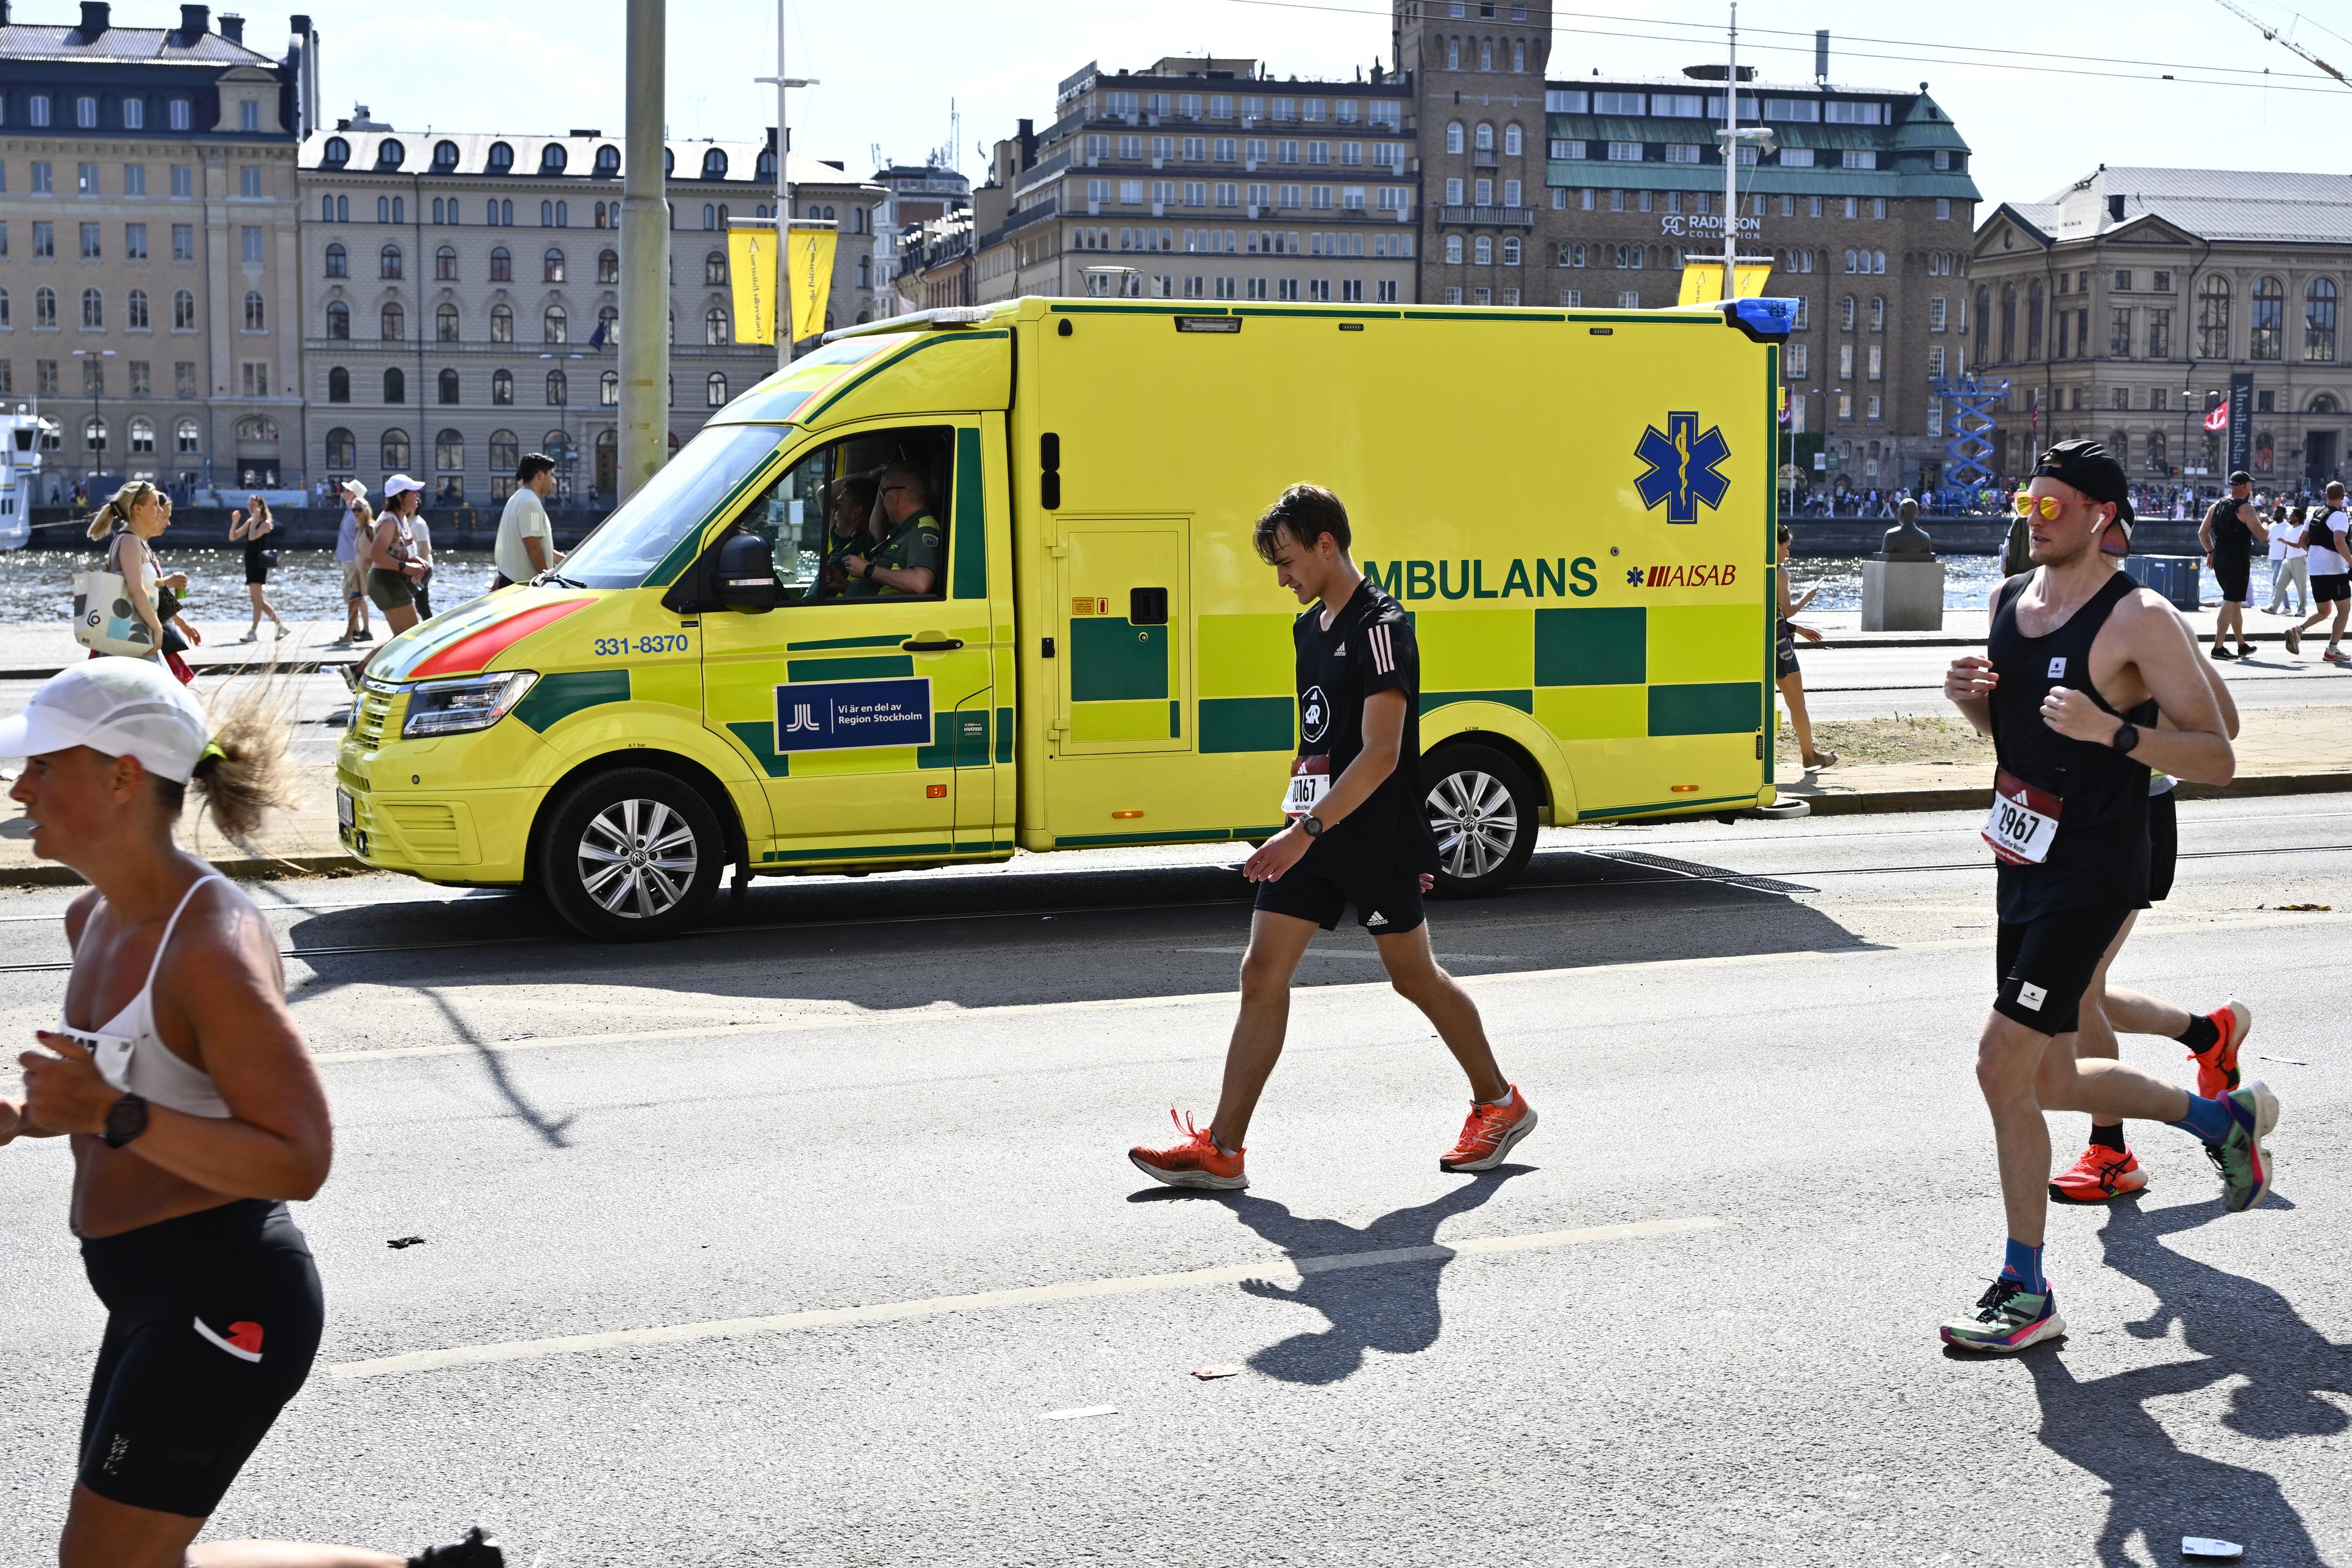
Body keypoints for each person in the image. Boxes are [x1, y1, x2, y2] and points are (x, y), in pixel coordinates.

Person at [0, 660, 504, 1568]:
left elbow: (299, 1157)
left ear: (121, 775)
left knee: (106, 1565)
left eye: (43, 766)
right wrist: (29, 1116)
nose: (17, 786)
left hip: (225, 1291)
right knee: (135, 1561)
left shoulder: (209, 942)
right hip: (146, 1288)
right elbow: (137, 1094)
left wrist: (109, 1113)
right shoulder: (92, 918)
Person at [1938, 440, 2275, 1353]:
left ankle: (2026, 1288)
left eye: (2051, 507)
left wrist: (2114, 733)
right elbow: (2013, 741)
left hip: (2094, 868)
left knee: (1997, 1064)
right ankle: (2220, 1118)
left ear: (2098, 518)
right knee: (2048, 1079)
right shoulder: (2010, 600)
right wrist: (1970, 700)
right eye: (2025, 502)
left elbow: (2219, 756)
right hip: (2020, 856)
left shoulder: (2141, 618)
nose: (2032, 519)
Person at [1128, 484, 1537, 1189]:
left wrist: (1308, 830)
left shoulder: (1383, 626)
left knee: (1413, 978)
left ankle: (1500, 1103)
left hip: (1370, 835)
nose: (1281, 577)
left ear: (1327, 544)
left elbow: (1381, 752)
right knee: (1261, 972)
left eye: (1287, 560)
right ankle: (1223, 1150)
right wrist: (1299, 804)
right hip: (1315, 832)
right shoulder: (1307, 630)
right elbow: (1322, 737)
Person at [2049, 630, 2253, 1203]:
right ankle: (2209, 1033)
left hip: (2129, 815)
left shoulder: (2142, 614)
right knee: (2078, 990)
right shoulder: (2026, 603)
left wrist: (2116, 728)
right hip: (2054, 812)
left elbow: (2223, 729)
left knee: (2080, 994)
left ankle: (2112, 1154)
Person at [86, 482, 197, 686]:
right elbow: (136, 590)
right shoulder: (128, 541)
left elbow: (146, 587)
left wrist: (177, 622)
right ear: (138, 509)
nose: (159, 510)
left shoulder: (136, 541)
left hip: (134, 633)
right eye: (155, 505)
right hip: (127, 634)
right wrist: (157, 628)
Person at [1774, 522, 1836, 771]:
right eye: (1787, 547)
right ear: (1776, 545)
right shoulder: (1779, 572)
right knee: (1797, 703)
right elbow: (1786, 611)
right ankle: (1809, 755)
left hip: (1759, 643)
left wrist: (1799, 630)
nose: (1788, 553)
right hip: (1780, 648)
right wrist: (1808, 596)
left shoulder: (1752, 568)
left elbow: (1767, 615)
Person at [840, 464, 943, 598]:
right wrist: (844, 585)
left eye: (883, 493)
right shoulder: (904, 531)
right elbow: (884, 587)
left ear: (895, 495)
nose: (883, 502)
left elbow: (920, 582)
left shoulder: (923, 529)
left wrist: (868, 570)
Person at [2196, 470, 2267, 660]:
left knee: (2235, 602)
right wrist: (2266, 522)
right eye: (2250, 485)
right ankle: (2218, 648)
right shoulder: (2246, 509)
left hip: (2220, 560)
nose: (2251, 488)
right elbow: (2262, 536)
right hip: (2238, 562)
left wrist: (2211, 552)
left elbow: (2202, 534)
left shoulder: (2216, 507)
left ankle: (2242, 645)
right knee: (2230, 602)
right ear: (2245, 486)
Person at [2291, 481, 2351, 661]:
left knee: (2324, 611)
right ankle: (2332, 649)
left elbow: (2302, 541)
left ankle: (2298, 631)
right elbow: (2339, 541)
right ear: (2343, 497)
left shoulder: (2314, 514)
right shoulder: (2340, 516)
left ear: (2325, 496)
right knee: (2344, 609)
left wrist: (2314, 553)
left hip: (2315, 570)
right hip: (2334, 570)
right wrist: (2351, 561)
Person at [364, 477, 428, 638]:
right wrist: (405, 567)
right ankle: (362, 665)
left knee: (400, 640)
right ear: (400, 497)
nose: (417, 495)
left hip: (390, 581)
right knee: (412, 638)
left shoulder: (402, 518)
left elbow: (395, 551)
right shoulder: (390, 521)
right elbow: (376, 554)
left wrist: (414, 560)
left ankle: (359, 665)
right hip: (387, 581)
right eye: (413, 492)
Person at [491, 454, 559, 590]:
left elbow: (541, 548)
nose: (554, 481)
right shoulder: (530, 503)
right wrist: (547, 582)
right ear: (540, 475)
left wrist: (573, 562)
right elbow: (533, 547)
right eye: (551, 475)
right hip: (522, 588)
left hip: (511, 583)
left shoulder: (518, 498)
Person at [228, 497, 287, 643]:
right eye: (249, 505)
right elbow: (233, 537)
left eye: (253, 505)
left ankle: (253, 632)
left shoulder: (265, 523)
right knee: (258, 600)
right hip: (250, 563)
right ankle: (280, 626)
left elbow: (253, 537)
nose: (250, 507)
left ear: (260, 506)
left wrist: (254, 520)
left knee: (256, 601)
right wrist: (235, 522)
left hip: (258, 564)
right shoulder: (250, 521)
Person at [815, 475, 881, 599]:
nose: (833, 512)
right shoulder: (841, 540)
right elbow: (823, 494)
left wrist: (884, 479)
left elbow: (824, 493)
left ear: (856, 512)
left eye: (837, 505)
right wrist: (872, 473)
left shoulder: (868, 542)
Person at [333, 481, 373, 644]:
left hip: (353, 560)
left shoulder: (357, 514)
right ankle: (356, 629)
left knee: (358, 596)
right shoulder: (351, 511)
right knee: (352, 596)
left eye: (346, 490)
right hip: (347, 559)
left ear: (354, 495)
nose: (343, 492)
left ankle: (364, 630)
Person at [2265, 502, 2309, 618]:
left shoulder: (2302, 530)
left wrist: (2286, 542)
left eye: (2292, 515)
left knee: (2301, 587)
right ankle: (2274, 608)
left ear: (2297, 518)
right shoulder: (2289, 529)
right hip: (2288, 560)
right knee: (2279, 584)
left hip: (2299, 560)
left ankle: (2302, 610)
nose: (2290, 517)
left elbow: (2299, 545)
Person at [408, 505, 437, 622]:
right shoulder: (411, 523)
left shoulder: (419, 524)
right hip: (417, 569)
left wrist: (420, 572)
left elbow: (425, 548)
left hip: (423, 569)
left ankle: (409, 628)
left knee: (407, 598)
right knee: (422, 605)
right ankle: (431, 629)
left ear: (414, 507)